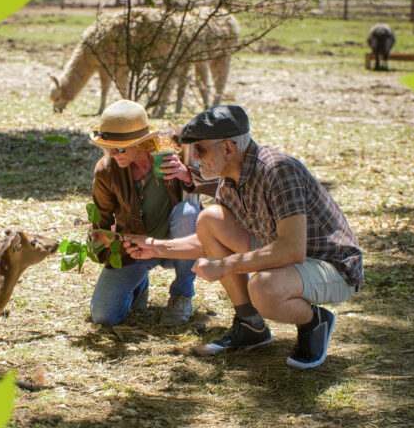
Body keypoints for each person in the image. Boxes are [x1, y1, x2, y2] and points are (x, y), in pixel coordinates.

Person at [125, 105, 363, 369]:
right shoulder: (229, 178)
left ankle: (314, 322)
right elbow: (210, 243)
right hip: (288, 255)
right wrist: (155, 247)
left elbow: (292, 250)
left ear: (228, 148)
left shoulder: (278, 170)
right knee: (210, 219)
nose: (195, 160)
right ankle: (250, 326)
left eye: (200, 151)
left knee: (263, 287)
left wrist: (225, 265)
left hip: (331, 266)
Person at [88, 99, 215, 326]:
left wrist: (186, 174)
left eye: (121, 148)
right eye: (108, 148)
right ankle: (139, 284)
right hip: (136, 248)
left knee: (187, 213)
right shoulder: (106, 170)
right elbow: (100, 219)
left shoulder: (175, 146)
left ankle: (181, 294)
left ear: (143, 142)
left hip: (178, 245)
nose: (114, 155)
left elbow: (219, 182)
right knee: (104, 316)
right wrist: (101, 239)